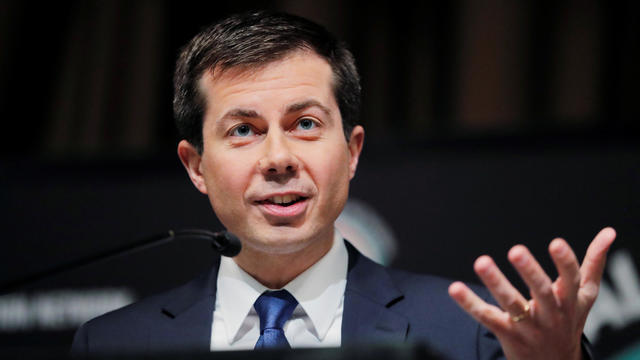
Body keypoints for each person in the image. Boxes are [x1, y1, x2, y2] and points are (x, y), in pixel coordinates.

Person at [71, 11, 615, 359]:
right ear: (195, 165)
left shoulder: (473, 331)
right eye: (243, 130)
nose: (278, 158)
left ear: (352, 151)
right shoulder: (112, 344)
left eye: (305, 124)